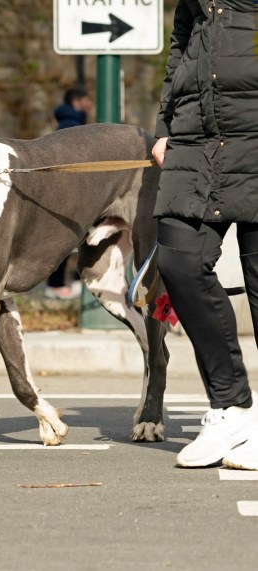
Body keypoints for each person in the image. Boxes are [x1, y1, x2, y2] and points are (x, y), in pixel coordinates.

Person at [151, 0, 258, 470]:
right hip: (196, 140)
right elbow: (181, 45)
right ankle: (231, 406)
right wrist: (164, 127)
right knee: (179, 259)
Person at [44, 87, 93, 300]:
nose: (90, 103)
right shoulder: (72, 126)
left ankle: (65, 282)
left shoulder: (65, 123)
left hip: (63, 191)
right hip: (70, 191)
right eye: (86, 99)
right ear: (77, 101)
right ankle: (60, 283)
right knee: (69, 236)